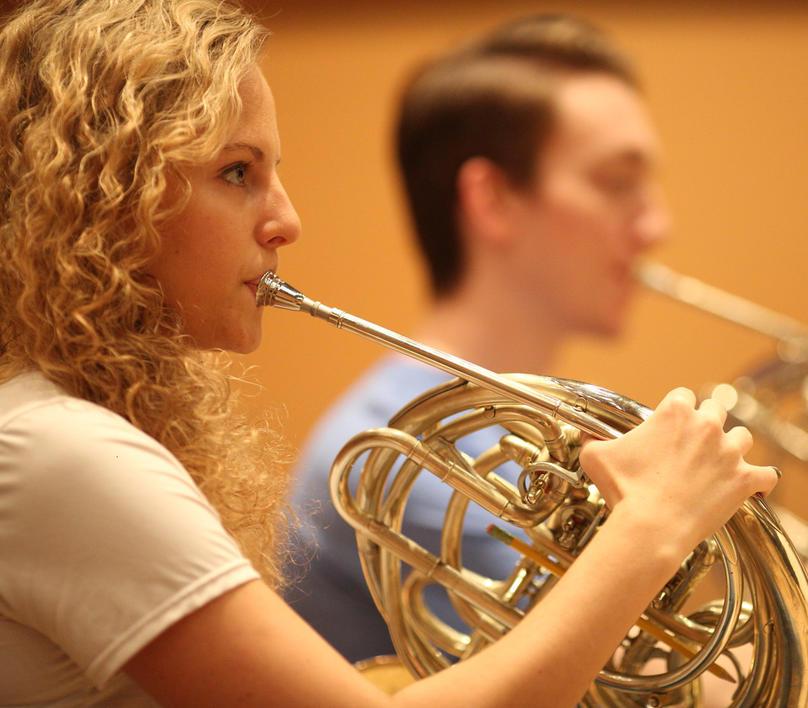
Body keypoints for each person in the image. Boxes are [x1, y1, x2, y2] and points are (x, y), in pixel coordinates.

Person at [0, 2, 776, 706]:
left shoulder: (76, 438)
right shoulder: (59, 451)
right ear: (104, 199)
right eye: (237, 171)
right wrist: (651, 527)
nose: (287, 220)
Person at [289, 14, 672, 662]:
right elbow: (618, 691)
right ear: (493, 200)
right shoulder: (408, 460)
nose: (658, 224)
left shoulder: (545, 424)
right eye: (616, 182)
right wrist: (669, 522)